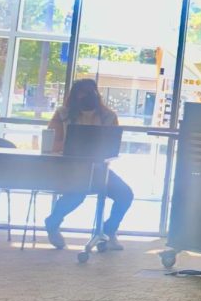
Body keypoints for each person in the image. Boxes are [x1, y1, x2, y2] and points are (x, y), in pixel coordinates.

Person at [43, 78, 134, 251]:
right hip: (69, 169)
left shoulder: (108, 116)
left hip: (100, 169)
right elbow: (51, 144)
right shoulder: (63, 114)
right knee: (77, 194)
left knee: (125, 194)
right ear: (75, 95)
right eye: (82, 92)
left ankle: (108, 232)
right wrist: (72, 144)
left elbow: (113, 147)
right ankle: (53, 222)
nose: (87, 96)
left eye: (91, 92)